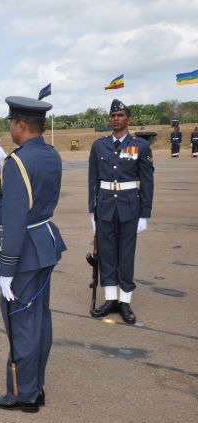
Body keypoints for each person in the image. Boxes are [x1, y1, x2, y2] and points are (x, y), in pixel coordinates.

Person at [0, 97, 66, 413]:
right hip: (43, 244)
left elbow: (14, 218)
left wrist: (7, 268)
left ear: (21, 125)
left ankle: (23, 394)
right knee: (39, 322)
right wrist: (5, 169)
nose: (10, 127)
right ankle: (36, 386)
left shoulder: (17, 162)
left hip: (23, 252)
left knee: (22, 324)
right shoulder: (50, 154)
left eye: (11, 122)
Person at [88, 99, 154, 324]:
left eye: (120, 115)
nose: (116, 119)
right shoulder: (99, 145)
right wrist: (92, 211)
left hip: (129, 208)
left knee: (126, 255)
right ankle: (110, 299)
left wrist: (144, 214)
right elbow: (92, 180)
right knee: (106, 254)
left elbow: (147, 182)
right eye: (113, 115)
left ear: (129, 119)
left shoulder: (140, 146)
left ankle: (125, 301)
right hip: (105, 207)